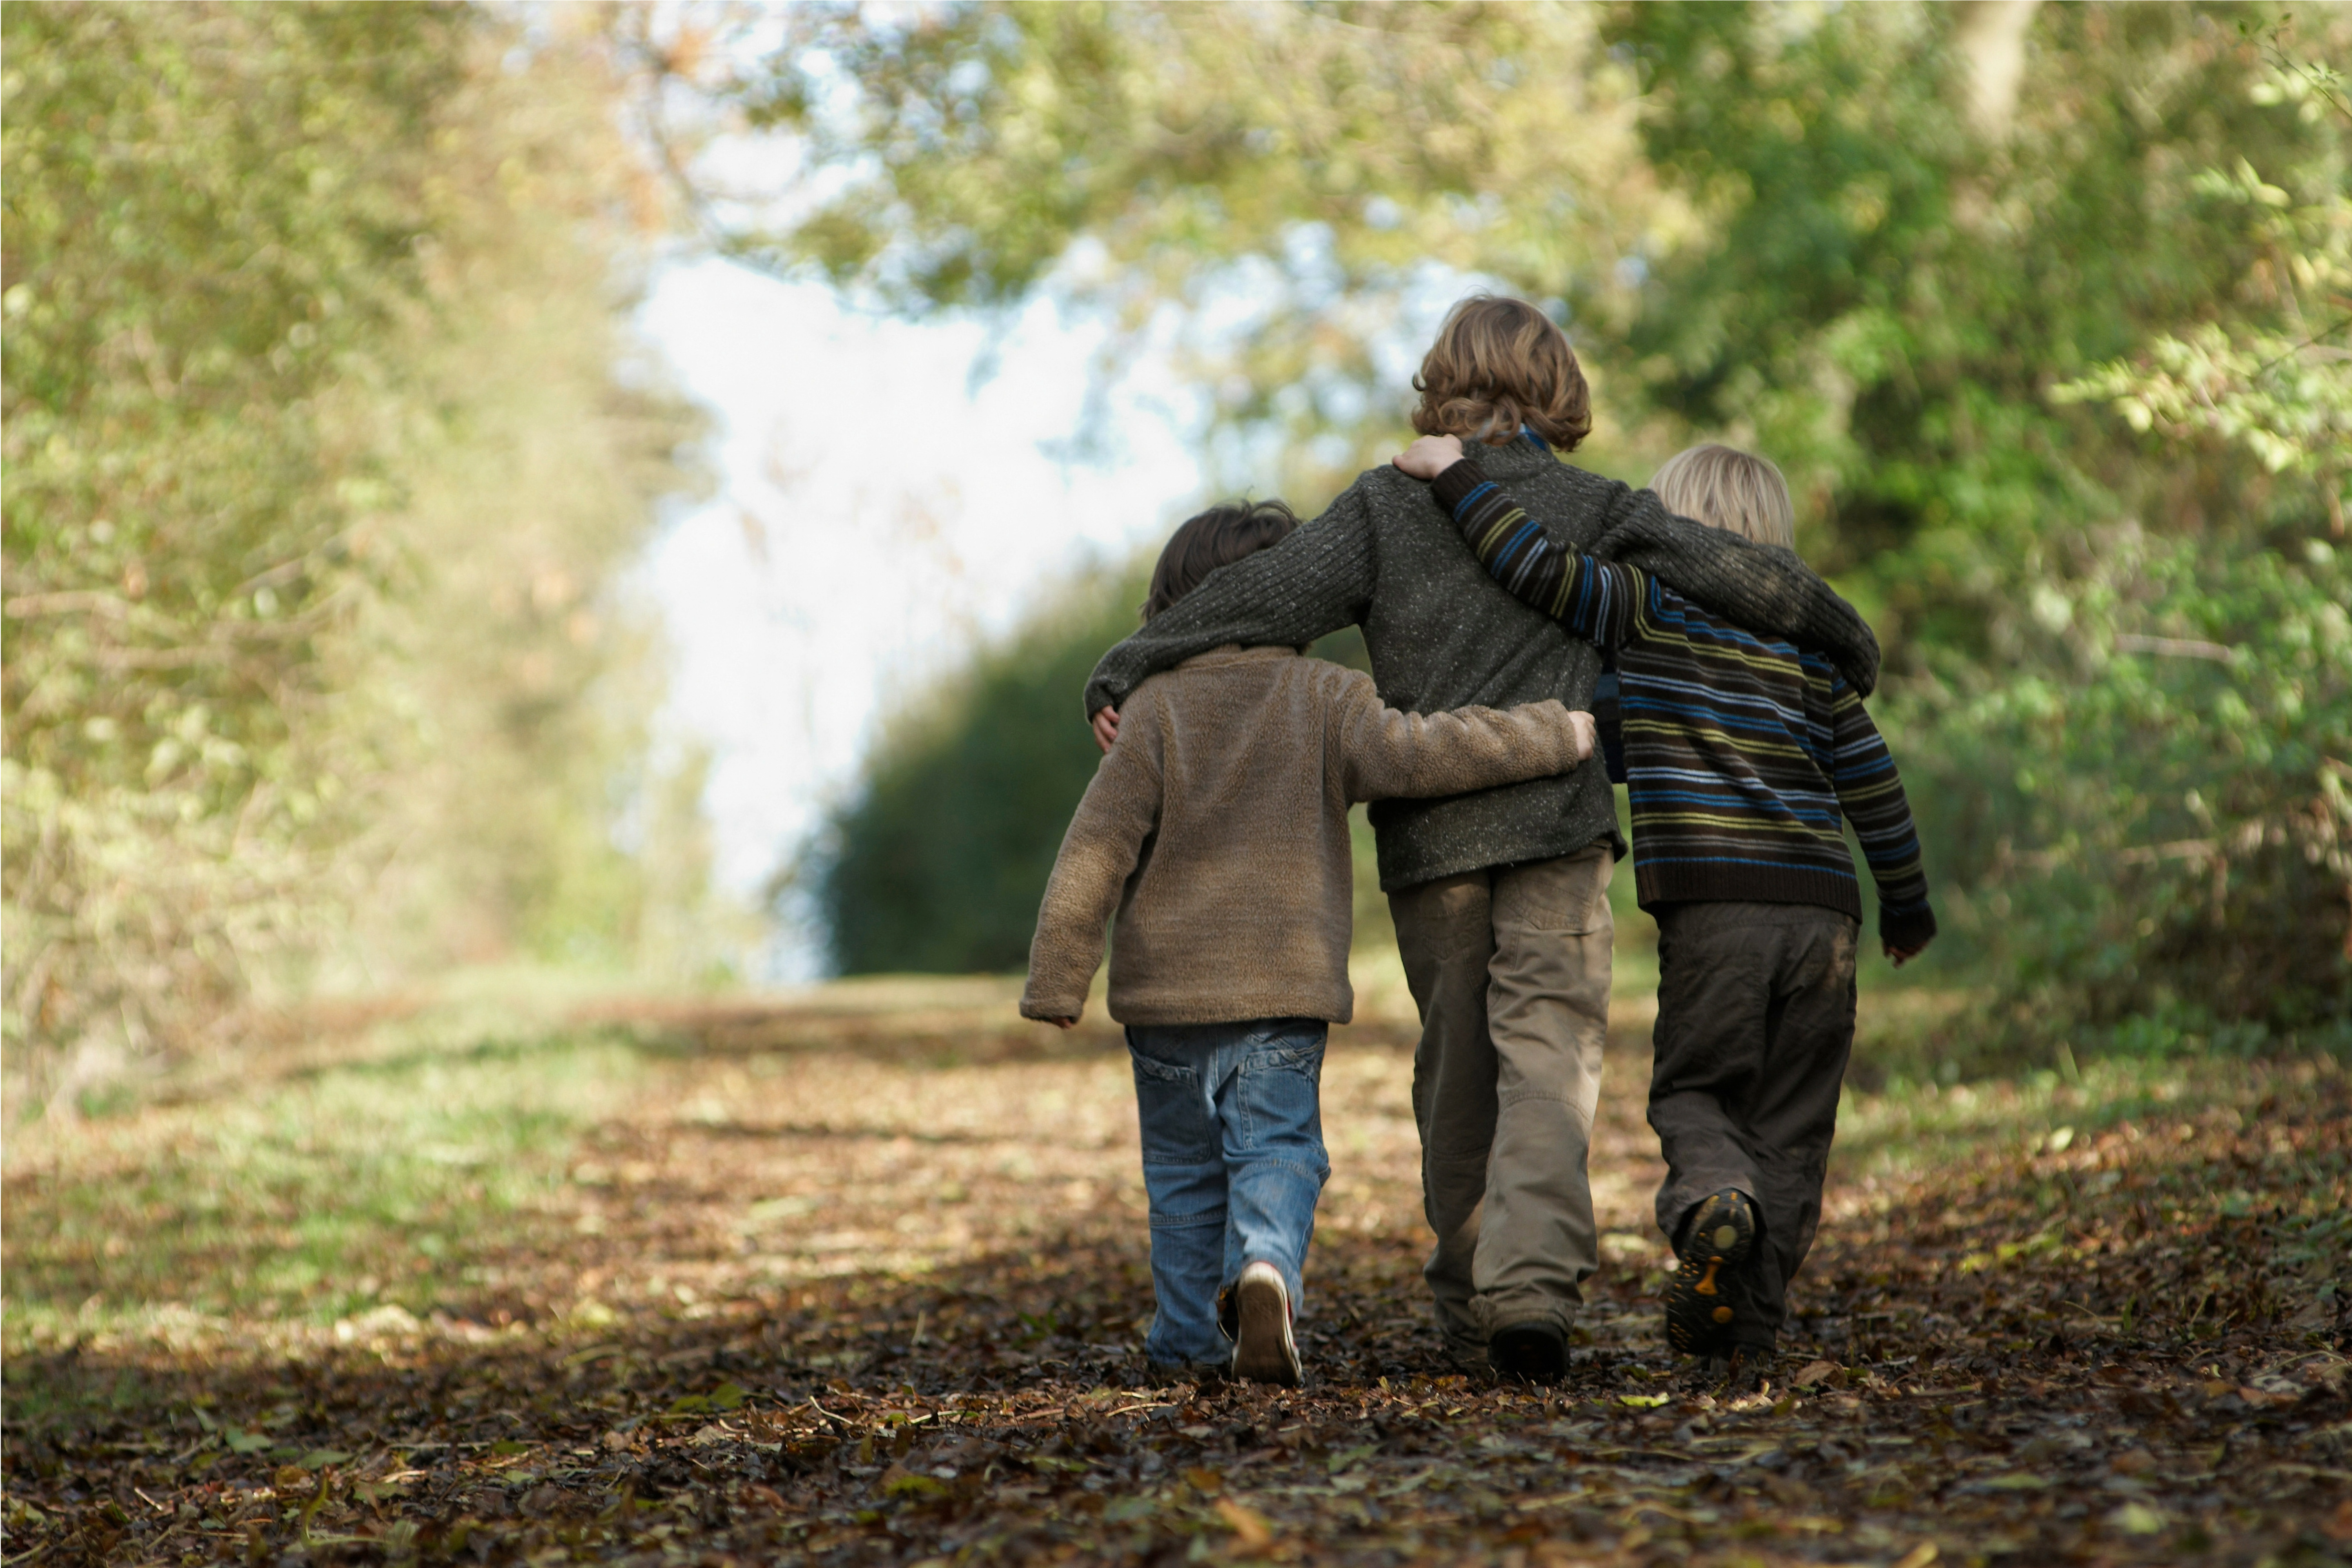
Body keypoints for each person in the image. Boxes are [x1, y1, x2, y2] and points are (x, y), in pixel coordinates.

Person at [1082, 295, 1881, 1383]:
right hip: (1559, 835)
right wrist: (1848, 640)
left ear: (1440, 383)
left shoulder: (1379, 510)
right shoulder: (1598, 506)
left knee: (1458, 1079)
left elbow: (1256, 598)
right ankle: (1531, 1293)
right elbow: (1749, 577)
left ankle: (1468, 1311)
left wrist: (1125, 665)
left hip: (1434, 853)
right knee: (1552, 1066)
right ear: (1557, 389)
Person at [1394, 433, 1936, 1377]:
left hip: (1715, 912)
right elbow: (1874, 785)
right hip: (1827, 923)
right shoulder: (1811, 649)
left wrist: (1458, 479)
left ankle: (1714, 1201)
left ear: (1668, 528)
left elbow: (1538, 570)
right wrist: (1908, 903)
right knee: (1795, 1125)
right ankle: (1749, 1327)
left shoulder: (1648, 608)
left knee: (1697, 1092)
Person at [1022, 497, 1597, 1386]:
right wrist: (1552, 734)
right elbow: (1421, 755)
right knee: (1279, 1151)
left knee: (1180, 1176)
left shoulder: (1154, 710)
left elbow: (1094, 848)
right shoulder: (1326, 696)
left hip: (1164, 1005)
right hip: (1282, 993)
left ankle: (1185, 1341)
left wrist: (1058, 978)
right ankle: (1265, 1271)